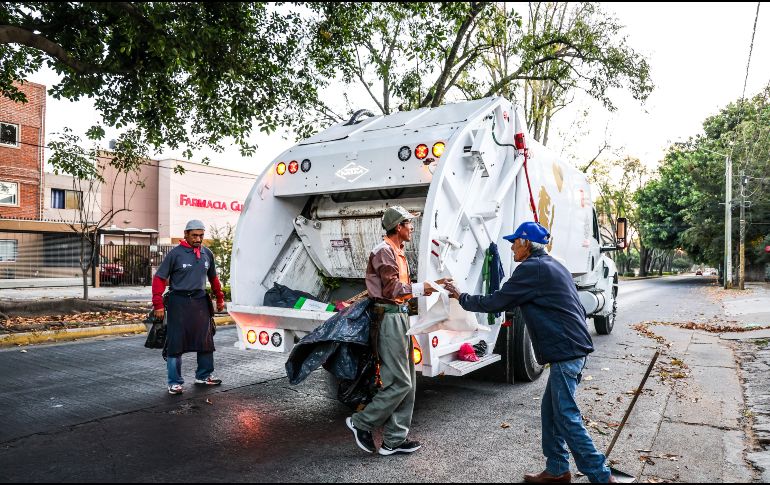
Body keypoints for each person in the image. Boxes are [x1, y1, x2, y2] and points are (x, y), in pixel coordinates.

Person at [443, 221, 615, 483]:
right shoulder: (554, 264)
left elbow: (496, 302)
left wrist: (461, 296)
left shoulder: (531, 269)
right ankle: (557, 470)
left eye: (514, 243)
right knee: (551, 412)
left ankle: (602, 477)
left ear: (525, 243)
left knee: (567, 416)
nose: (512, 248)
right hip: (572, 349)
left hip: (566, 352)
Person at [346, 206, 442, 456]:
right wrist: (422, 288)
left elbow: (399, 289)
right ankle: (361, 422)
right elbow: (391, 290)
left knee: (408, 382)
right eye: (409, 223)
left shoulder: (397, 251)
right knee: (399, 382)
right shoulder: (384, 252)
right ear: (398, 226)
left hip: (399, 318)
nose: (412, 228)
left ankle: (394, 440)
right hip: (388, 320)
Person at [152, 219, 226, 395]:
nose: (198, 239)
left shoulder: (207, 253)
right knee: (175, 343)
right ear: (186, 234)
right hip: (179, 302)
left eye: (201, 235)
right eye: (195, 235)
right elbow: (159, 279)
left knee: (205, 340)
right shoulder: (175, 254)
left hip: (200, 301)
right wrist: (158, 304)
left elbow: (213, 278)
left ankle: (204, 375)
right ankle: (174, 382)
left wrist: (220, 298)